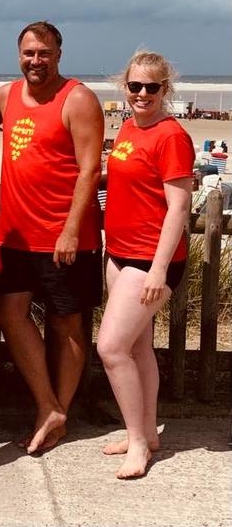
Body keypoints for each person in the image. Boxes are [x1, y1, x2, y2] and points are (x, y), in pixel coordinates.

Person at [0, 21, 103, 454]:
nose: (36, 61)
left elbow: (90, 169)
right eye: (29, 53)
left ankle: (59, 414)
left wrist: (71, 229)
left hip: (65, 237)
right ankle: (47, 405)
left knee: (67, 324)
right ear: (19, 54)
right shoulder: (5, 95)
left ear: (58, 54)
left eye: (44, 53)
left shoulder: (78, 99)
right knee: (8, 312)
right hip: (14, 235)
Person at [97, 51, 194, 479]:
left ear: (164, 91)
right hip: (120, 253)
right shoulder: (128, 129)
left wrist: (157, 271)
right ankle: (147, 431)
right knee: (137, 348)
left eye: (151, 88)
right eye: (134, 86)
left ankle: (139, 443)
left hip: (151, 260)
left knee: (111, 347)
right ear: (125, 87)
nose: (141, 94)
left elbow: (178, 209)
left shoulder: (171, 135)